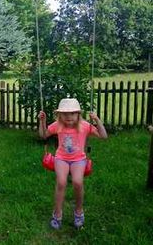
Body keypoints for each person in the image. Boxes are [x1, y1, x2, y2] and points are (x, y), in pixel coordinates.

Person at [38, 98, 107, 230]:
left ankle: (79, 212)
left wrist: (97, 120)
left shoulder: (85, 125)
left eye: (72, 113)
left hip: (78, 159)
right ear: (59, 115)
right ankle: (57, 214)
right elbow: (43, 135)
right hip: (61, 158)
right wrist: (42, 121)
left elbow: (103, 136)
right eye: (64, 114)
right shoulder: (58, 125)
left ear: (78, 114)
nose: (68, 116)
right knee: (61, 183)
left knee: (77, 182)